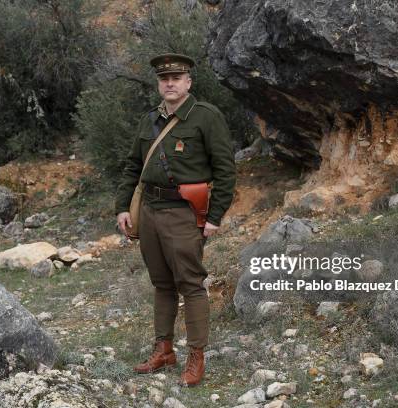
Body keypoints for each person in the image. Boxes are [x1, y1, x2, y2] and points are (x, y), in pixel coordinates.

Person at [115, 53, 236, 386]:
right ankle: (164, 350)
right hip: (150, 212)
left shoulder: (206, 117)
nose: (169, 83)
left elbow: (226, 171)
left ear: (188, 82)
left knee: (191, 285)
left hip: (184, 213)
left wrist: (215, 217)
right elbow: (132, 166)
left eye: (176, 78)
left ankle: (196, 356)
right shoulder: (149, 119)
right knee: (162, 284)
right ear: (158, 83)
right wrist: (123, 206)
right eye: (164, 78)